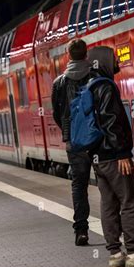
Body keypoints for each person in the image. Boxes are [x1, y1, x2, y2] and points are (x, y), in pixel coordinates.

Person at [86, 46, 134, 267]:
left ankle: (115, 255)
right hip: (113, 157)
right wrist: (122, 153)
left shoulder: (88, 86)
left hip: (98, 158)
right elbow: (112, 122)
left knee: (108, 204)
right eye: (114, 58)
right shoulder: (105, 87)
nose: (118, 61)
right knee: (130, 202)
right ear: (104, 61)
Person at [51, 39, 92, 246]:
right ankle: (116, 229)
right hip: (98, 140)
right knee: (108, 185)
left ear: (68, 56)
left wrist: (69, 130)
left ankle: (81, 231)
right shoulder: (96, 76)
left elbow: (57, 114)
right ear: (86, 54)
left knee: (79, 185)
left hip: (74, 143)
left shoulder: (59, 83)